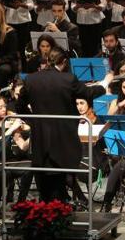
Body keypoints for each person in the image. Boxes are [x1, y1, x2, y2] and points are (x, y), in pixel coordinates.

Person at [16, 49, 114, 202]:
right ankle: (59, 215)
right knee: (59, 180)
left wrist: (35, 122)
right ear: (64, 62)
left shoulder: (31, 79)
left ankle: (46, 215)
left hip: (40, 139)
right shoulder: (68, 79)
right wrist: (105, 83)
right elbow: (88, 93)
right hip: (62, 140)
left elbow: (19, 107)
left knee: (44, 183)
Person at [2, 0, 34, 64]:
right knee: (12, 49)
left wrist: (21, 5)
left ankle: (24, 72)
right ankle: (12, 72)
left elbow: (31, 5)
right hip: (10, 20)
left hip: (24, 20)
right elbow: (5, 3)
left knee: (23, 49)